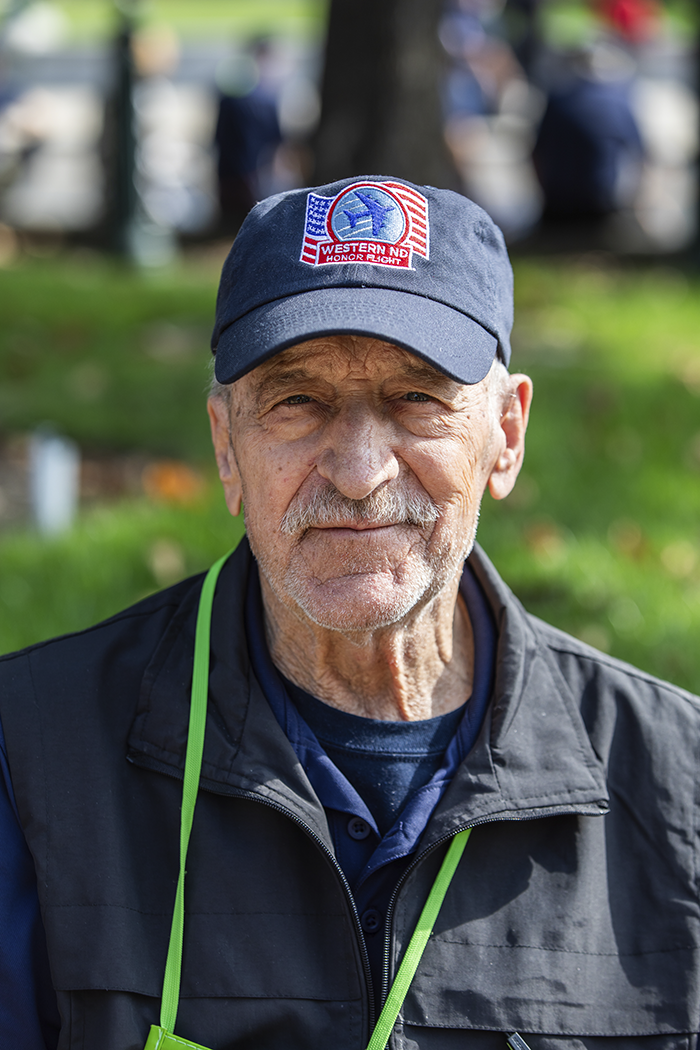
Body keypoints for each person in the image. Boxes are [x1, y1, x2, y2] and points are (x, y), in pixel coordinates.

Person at [1, 176, 699, 1050]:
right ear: (226, 445)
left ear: (506, 435)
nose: (360, 470)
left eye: (417, 398)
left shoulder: (678, 784)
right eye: (298, 401)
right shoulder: (30, 755)